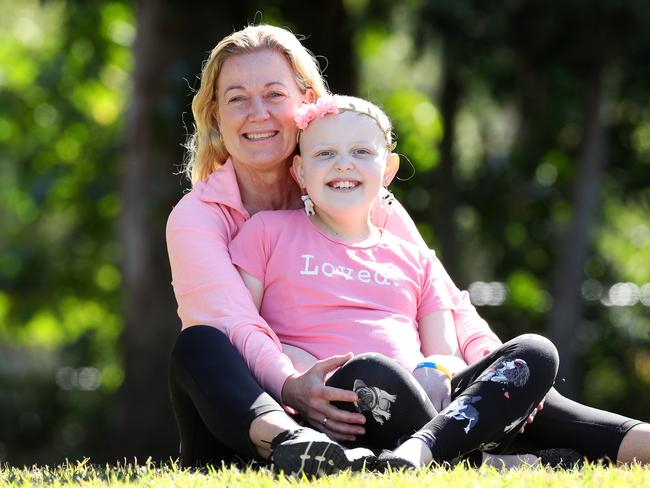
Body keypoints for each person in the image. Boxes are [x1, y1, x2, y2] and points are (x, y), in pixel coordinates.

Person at [166, 23, 650, 477]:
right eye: (237, 99)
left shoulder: (364, 199)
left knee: (528, 363)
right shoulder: (204, 219)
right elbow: (238, 327)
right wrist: (294, 384)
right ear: (215, 115)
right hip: (295, 398)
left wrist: (486, 372)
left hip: (418, 389)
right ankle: (458, 459)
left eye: (274, 95)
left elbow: (445, 301)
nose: (258, 112)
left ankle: (616, 440)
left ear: (306, 102)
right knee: (204, 345)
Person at [228, 94, 562, 469]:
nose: (343, 164)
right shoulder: (266, 234)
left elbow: (443, 354)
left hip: (424, 404)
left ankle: (421, 452)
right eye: (324, 154)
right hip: (341, 402)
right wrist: (293, 364)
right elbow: (244, 328)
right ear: (300, 172)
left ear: (387, 170)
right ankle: (482, 461)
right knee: (372, 370)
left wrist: (438, 370)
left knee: (535, 352)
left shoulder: (415, 258)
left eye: (360, 152)